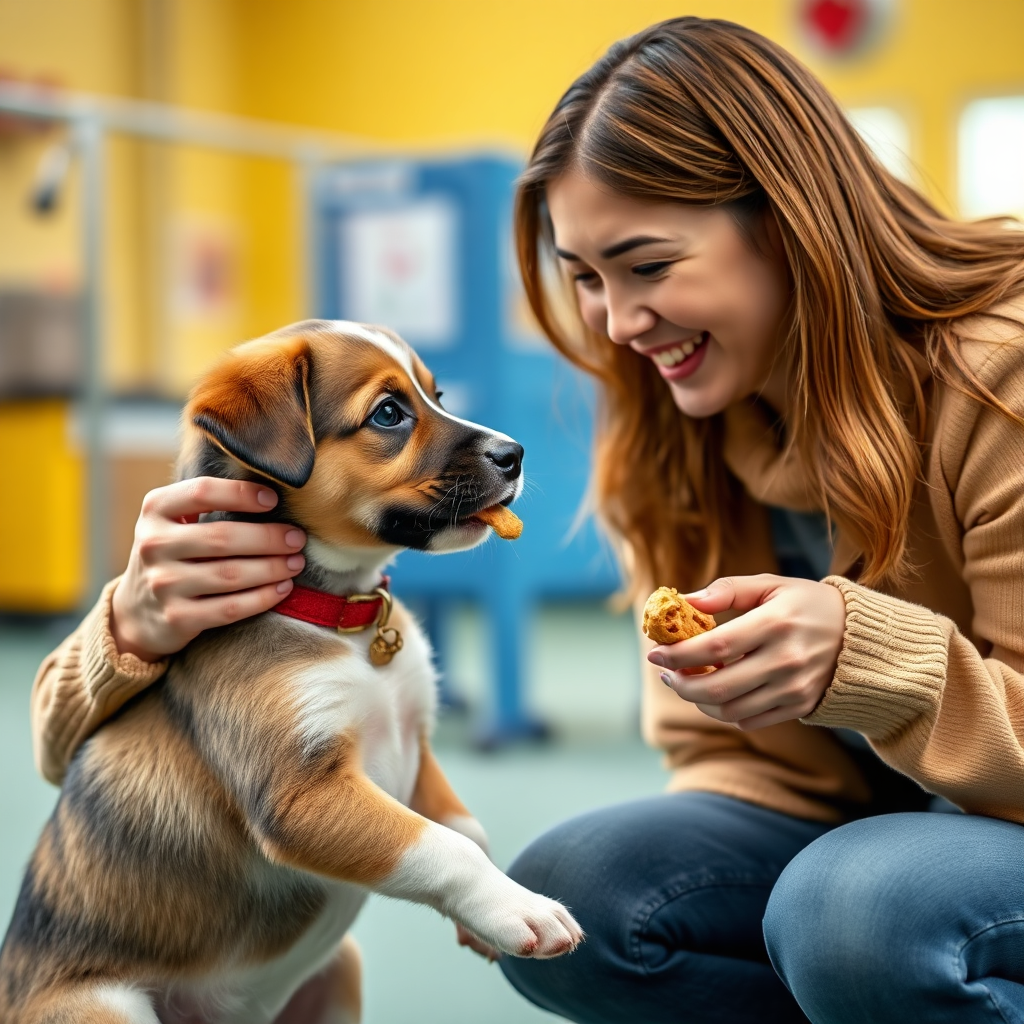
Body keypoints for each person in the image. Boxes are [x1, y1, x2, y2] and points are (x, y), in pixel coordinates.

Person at [26, 15, 1024, 1024]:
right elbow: (75, 762)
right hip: (866, 819)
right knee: (585, 892)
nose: (617, 324)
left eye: (646, 265)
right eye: (585, 277)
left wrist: (871, 661)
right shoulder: (676, 418)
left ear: (790, 220)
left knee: (857, 911)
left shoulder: (1002, 373)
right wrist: (134, 630)